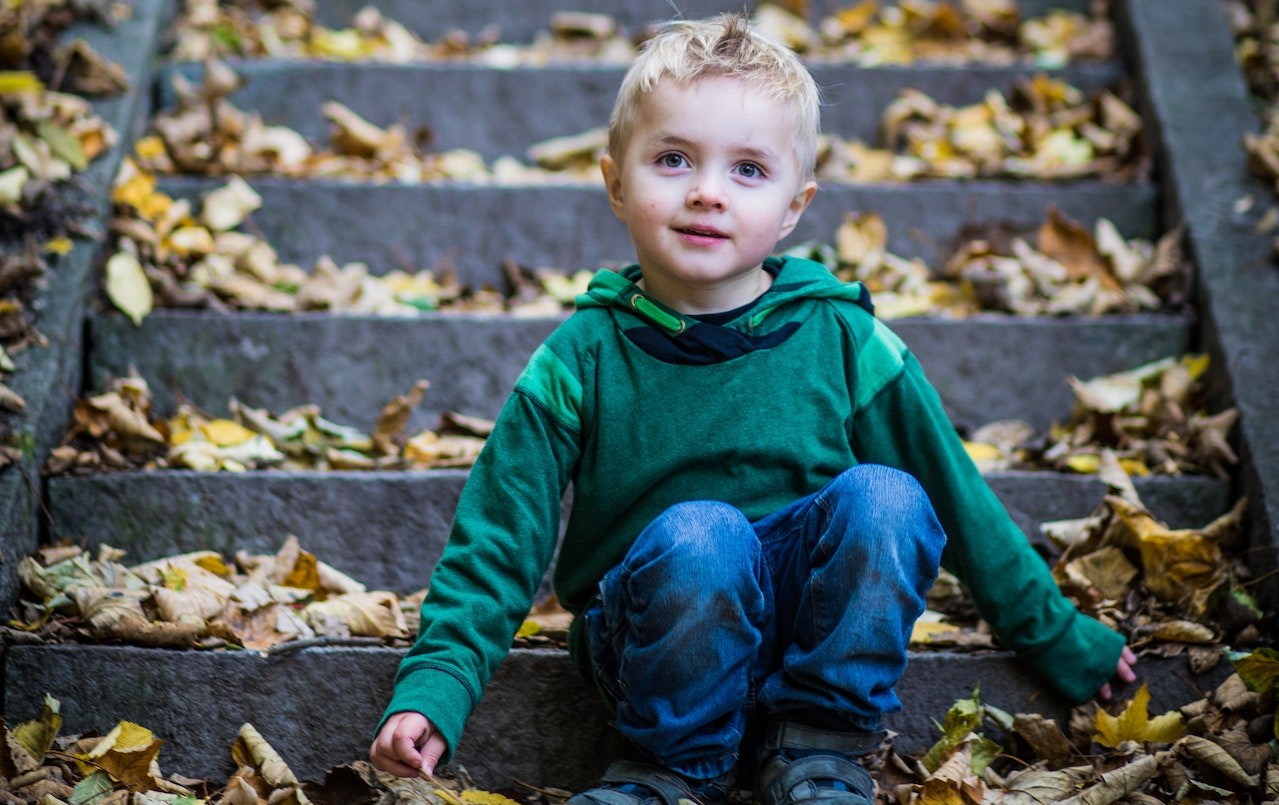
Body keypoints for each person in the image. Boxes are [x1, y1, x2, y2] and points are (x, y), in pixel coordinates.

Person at [370, 13, 1137, 805]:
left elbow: (955, 497)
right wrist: (436, 687)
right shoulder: (582, 356)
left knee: (888, 497)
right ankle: (666, 768)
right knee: (704, 534)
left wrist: (1056, 636)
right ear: (614, 183)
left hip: (807, 637)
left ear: (793, 205)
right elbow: (499, 537)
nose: (705, 190)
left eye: (746, 169)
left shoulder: (842, 336)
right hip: (652, 641)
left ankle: (817, 747)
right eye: (673, 159)